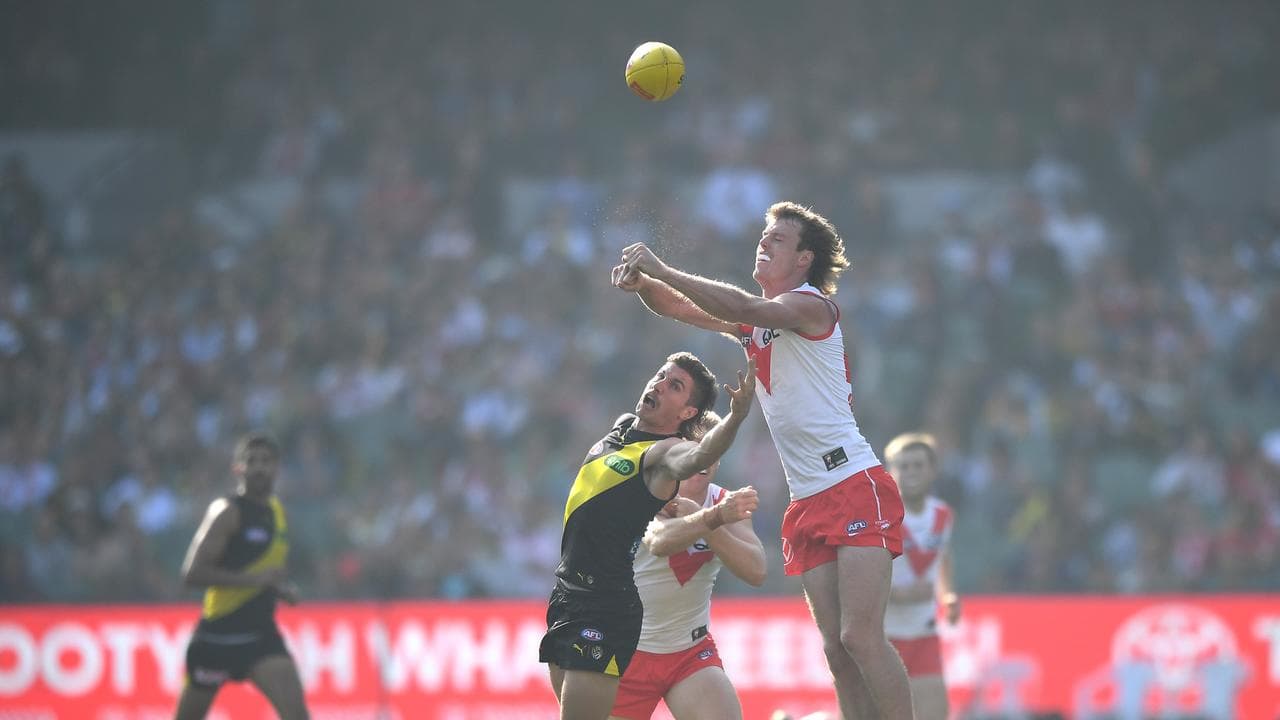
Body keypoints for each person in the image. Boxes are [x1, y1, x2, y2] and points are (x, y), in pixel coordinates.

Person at [613, 201, 912, 719]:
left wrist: (661, 266)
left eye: (777, 239)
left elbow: (745, 309)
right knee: (837, 653)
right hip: (808, 497)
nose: (764, 242)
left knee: (860, 638)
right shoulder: (758, 321)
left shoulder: (811, 305)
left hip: (853, 480)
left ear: (804, 259)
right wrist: (645, 287)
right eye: (764, 235)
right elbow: (682, 308)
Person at [541, 352, 757, 720]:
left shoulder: (666, 455)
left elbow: (700, 453)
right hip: (567, 596)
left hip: (604, 607)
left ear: (687, 413)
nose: (659, 384)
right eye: (661, 375)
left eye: (675, 386)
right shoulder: (622, 427)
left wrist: (736, 417)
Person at [610, 411, 767, 720]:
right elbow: (660, 541)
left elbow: (757, 570)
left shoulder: (725, 501)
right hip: (627, 651)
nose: (701, 459)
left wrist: (709, 519)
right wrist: (710, 518)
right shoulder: (647, 490)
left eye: (710, 449)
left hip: (689, 653)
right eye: (693, 448)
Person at [174, 433, 309, 720]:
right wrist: (256, 581)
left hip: (260, 636)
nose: (259, 467)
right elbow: (192, 574)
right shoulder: (227, 511)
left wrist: (281, 589)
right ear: (238, 468)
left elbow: (264, 572)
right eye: (251, 461)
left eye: (266, 461)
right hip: (217, 637)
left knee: (298, 716)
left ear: (277, 468)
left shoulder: (279, 512)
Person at [884, 432, 959, 720]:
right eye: (903, 466)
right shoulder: (882, 516)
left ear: (932, 470)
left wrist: (947, 594)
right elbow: (858, 572)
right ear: (891, 472)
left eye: (918, 465)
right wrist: (895, 594)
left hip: (924, 633)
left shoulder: (942, 515)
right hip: (883, 638)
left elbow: (943, 556)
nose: (911, 472)